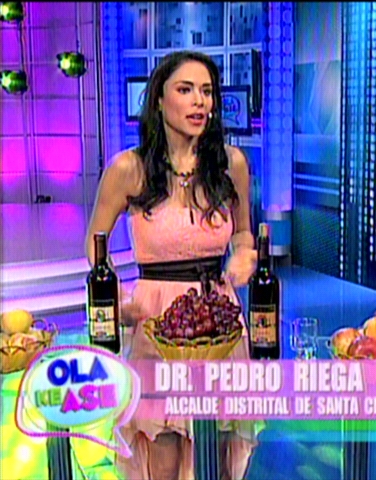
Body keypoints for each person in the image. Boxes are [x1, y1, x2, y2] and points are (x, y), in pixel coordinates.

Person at [85, 50, 261, 480]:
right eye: (186, 90)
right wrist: (115, 297)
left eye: (207, 91)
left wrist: (244, 255)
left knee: (215, 449)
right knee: (162, 446)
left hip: (218, 320)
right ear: (159, 100)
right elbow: (95, 243)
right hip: (156, 320)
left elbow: (242, 233)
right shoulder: (128, 168)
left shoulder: (232, 164)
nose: (199, 101)